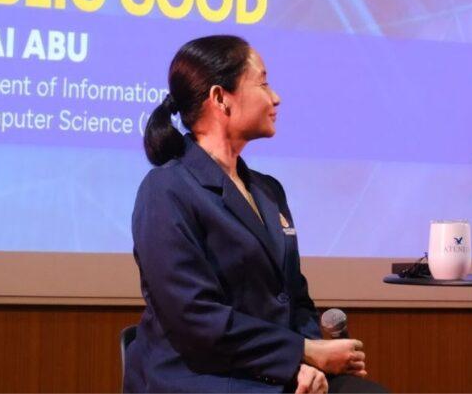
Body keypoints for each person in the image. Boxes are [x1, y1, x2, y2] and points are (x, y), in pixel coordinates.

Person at [124, 35, 381, 393]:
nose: (275, 97)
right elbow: (194, 317)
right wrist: (299, 356)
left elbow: (296, 298)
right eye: (262, 82)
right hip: (203, 377)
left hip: (271, 369)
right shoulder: (166, 190)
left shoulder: (268, 190)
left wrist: (311, 361)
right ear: (220, 98)